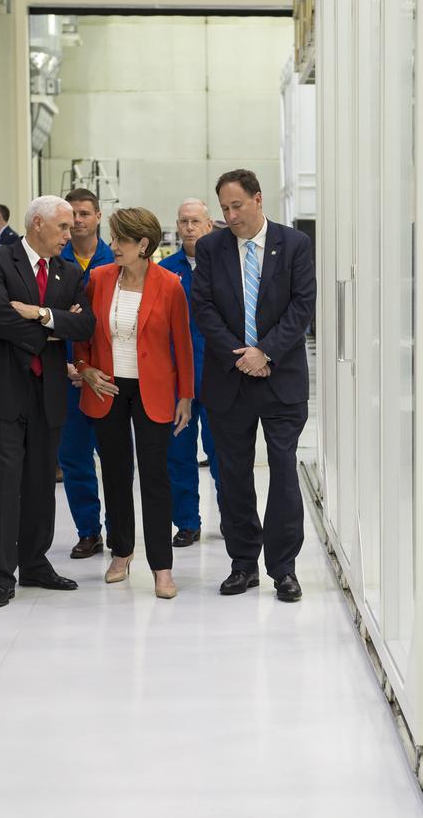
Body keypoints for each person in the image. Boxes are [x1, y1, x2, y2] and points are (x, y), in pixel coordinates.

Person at [0, 195, 93, 609]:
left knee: (40, 480)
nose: (69, 236)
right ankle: (1, 575)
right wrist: (52, 329)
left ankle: (35, 562)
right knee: (5, 481)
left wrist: (38, 315)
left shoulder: (69, 273)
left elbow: (84, 322)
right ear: (37, 224)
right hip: (0, 390)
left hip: (47, 390)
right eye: (63, 228)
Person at [191, 169, 316, 602]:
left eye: (237, 206)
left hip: (281, 379)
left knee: (283, 472)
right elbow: (203, 308)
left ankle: (284, 569)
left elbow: (302, 307)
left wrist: (265, 352)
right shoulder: (210, 248)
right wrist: (241, 356)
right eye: (224, 208)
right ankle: (243, 564)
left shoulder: (295, 244)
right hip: (230, 380)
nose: (230, 215)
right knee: (234, 476)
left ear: (258, 199)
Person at [74, 207, 193, 596]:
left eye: (120, 240)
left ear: (143, 245)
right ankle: (121, 552)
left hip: (154, 390)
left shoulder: (170, 284)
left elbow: (183, 347)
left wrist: (186, 396)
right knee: (116, 472)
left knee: (156, 477)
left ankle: (162, 566)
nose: (113, 247)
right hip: (108, 387)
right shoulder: (99, 279)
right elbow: (84, 334)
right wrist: (85, 368)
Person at [160, 198, 223, 547]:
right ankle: (186, 522)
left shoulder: (226, 266)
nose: (188, 227)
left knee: (222, 453)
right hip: (177, 381)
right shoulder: (166, 271)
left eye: (195, 221)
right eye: (183, 221)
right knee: (178, 454)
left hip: (217, 378)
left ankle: (230, 517)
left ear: (209, 225)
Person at [57, 188, 114, 559]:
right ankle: (88, 531)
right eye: (71, 215)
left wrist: (97, 369)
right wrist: (68, 366)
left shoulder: (118, 260)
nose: (77, 221)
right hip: (64, 379)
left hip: (108, 378)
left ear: (97, 217)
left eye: (84, 213)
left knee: (114, 459)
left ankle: (120, 530)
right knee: (74, 457)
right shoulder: (50, 262)